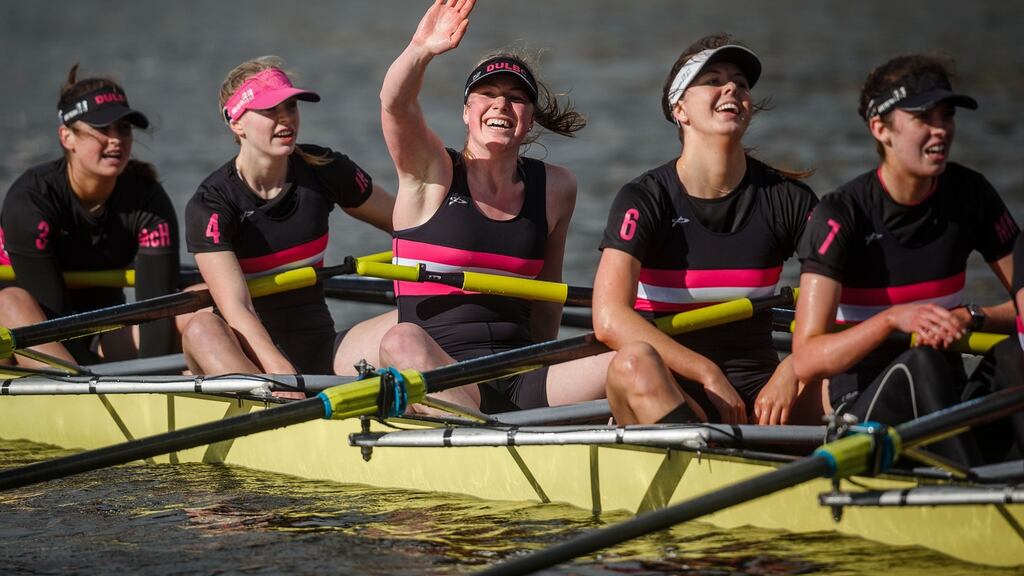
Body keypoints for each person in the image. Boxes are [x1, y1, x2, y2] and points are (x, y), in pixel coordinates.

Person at [376, 0, 609, 414]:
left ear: (530, 120)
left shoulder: (556, 186)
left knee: (634, 359)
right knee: (399, 341)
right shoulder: (431, 172)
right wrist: (420, 49)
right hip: (443, 371)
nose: (501, 104)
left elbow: (548, 296)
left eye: (516, 98)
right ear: (467, 112)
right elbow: (395, 106)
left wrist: (548, 367)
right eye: (488, 94)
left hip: (523, 373)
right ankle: (486, 438)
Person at [791, 54, 1018, 466]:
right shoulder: (842, 215)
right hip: (863, 411)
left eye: (946, 116)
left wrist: (972, 316)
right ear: (881, 129)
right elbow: (806, 358)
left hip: (946, 400)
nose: (941, 130)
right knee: (921, 361)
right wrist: (893, 320)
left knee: (1013, 353)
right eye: (923, 118)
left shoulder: (972, 195)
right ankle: (974, 490)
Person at [593, 34, 820, 426]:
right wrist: (705, 372)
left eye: (741, 83)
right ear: (680, 109)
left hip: (766, 398)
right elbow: (609, 318)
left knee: (847, 365)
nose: (731, 87)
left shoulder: (789, 199)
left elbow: (849, 295)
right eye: (713, 79)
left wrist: (794, 369)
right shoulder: (644, 198)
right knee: (630, 363)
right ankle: (696, 445)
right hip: (674, 389)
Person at [181, 57, 394, 394]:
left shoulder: (325, 169)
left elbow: (409, 228)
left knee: (411, 325)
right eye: (270, 110)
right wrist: (279, 373)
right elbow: (237, 307)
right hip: (248, 359)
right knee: (200, 328)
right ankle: (270, 405)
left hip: (322, 348)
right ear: (237, 123)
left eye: (291, 106)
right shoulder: (211, 204)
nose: (286, 118)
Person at [0, 64, 179, 368]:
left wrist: (154, 382)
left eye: (123, 128)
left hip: (99, 330)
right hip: (24, 334)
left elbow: (156, 313)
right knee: (11, 302)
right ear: (67, 137)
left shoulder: (148, 200)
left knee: (197, 302)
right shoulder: (30, 200)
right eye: (102, 129)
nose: (117, 140)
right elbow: (54, 323)